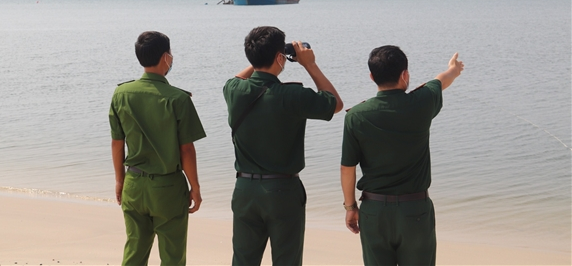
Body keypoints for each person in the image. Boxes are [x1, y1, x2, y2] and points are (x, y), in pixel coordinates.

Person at [223, 26, 344, 266]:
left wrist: (258, 60)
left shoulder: (233, 90)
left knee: (243, 261)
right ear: (280, 58)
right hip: (282, 191)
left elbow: (239, 77)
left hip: (245, 189)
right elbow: (335, 103)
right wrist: (309, 64)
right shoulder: (292, 95)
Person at [340, 46, 464, 266]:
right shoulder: (422, 103)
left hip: (374, 211)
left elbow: (347, 168)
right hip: (415, 210)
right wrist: (454, 68)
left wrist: (350, 208)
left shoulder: (356, 117)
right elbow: (441, 80)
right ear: (404, 75)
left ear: (372, 77)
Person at [109, 31, 206, 266]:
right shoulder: (178, 99)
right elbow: (186, 150)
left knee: (134, 252)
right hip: (167, 188)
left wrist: (120, 181)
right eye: (170, 54)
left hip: (134, 183)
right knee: (173, 256)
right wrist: (195, 187)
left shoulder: (121, 93)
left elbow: (117, 143)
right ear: (165, 57)